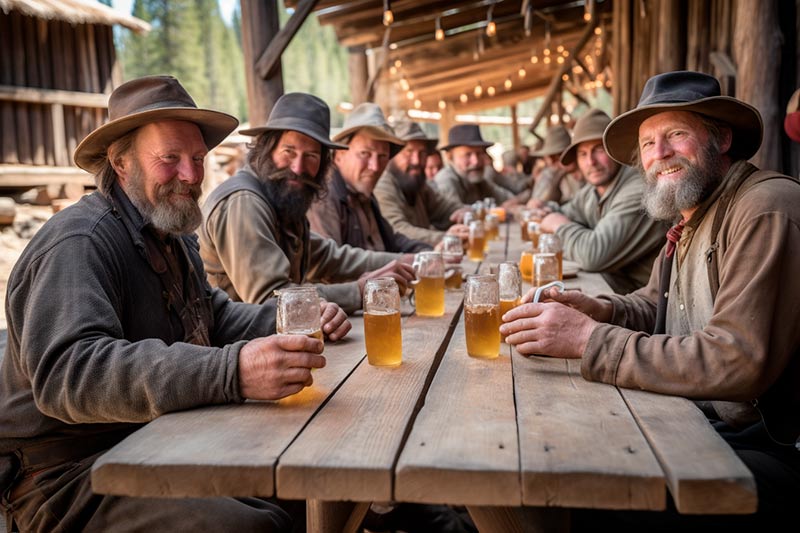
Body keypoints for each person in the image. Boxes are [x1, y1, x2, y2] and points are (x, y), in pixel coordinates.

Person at [0, 76, 351, 533]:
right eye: (170, 159)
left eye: (198, 159)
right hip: (60, 476)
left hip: (153, 439)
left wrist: (296, 316)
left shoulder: (170, 233)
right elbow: (71, 373)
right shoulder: (80, 240)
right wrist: (234, 371)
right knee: (254, 526)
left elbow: (215, 316)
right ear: (120, 162)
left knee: (308, 479)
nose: (190, 175)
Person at [502, 70, 800, 531]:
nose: (659, 155)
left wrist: (588, 340)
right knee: (549, 445)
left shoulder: (765, 208)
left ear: (721, 139)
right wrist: (597, 309)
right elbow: (655, 306)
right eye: (647, 144)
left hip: (768, 449)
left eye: (676, 135)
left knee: (591, 484)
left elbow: (736, 361)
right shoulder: (693, 214)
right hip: (702, 419)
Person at [199, 93, 415, 314]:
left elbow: (329, 257)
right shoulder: (244, 203)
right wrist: (359, 291)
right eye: (289, 152)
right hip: (236, 346)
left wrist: (407, 261)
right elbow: (271, 299)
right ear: (267, 148)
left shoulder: (283, 199)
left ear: (323, 164)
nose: (298, 168)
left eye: (311, 156)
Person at [536, 109, 667, 294]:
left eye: (598, 149)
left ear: (615, 150)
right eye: (582, 154)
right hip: (614, 290)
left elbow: (592, 255)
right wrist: (548, 210)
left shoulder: (638, 189)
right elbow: (564, 211)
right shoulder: (592, 191)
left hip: (647, 306)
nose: (591, 161)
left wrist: (559, 225)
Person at [307, 103, 431, 255]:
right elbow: (331, 264)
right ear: (339, 155)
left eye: (382, 156)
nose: (375, 166)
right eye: (365, 154)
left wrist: (427, 252)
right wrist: (397, 262)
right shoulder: (323, 197)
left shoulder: (364, 195)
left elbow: (393, 240)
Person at [374, 120, 470, 247]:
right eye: (409, 152)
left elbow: (445, 208)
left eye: (422, 153)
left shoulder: (418, 185)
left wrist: (464, 212)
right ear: (392, 154)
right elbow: (398, 230)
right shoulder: (382, 185)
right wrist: (447, 238)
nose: (417, 160)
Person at [433, 124, 520, 207]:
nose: (476, 161)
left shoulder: (478, 180)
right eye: (467, 155)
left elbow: (508, 198)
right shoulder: (446, 180)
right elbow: (455, 213)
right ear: (450, 157)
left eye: (479, 153)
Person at [526, 124, 584, 206]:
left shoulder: (589, 172)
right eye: (551, 157)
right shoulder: (552, 174)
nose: (553, 162)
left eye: (559, 155)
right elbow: (537, 204)